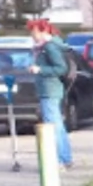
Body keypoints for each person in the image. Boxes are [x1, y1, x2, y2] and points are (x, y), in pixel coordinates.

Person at [27, 19, 73, 170]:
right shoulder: (47, 46)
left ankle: (60, 160)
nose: (32, 35)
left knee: (53, 126)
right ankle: (65, 158)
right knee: (57, 125)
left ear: (43, 31)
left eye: (34, 31)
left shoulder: (49, 47)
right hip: (50, 90)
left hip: (50, 90)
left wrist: (40, 69)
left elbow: (61, 68)